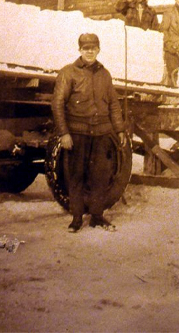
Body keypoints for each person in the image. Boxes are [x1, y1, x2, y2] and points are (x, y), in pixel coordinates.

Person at [51, 34, 127, 232]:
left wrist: (119, 130)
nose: (90, 51)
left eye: (93, 47)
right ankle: (76, 218)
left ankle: (97, 216)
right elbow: (57, 104)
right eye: (86, 48)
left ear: (99, 50)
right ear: (79, 50)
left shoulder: (105, 74)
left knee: (99, 176)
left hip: (102, 133)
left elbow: (114, 105)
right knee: (76, 176)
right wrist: (64, 133)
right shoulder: (68, 73)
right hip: (77, 133)